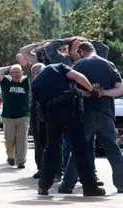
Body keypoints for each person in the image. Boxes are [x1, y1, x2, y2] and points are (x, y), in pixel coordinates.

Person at [31, 63, 105, 196]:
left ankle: (43, 186)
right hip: (69, 110)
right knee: (80, 149)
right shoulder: (57, 67)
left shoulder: (35, 82)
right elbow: (76, 76)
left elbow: (37, 107)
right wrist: (92, 90)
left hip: (51, 115)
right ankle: (90, 188)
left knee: (51, 149)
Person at [59, 42, 123, 194]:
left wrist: (88, 92)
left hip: (85, 114)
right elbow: (120, 88)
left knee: (78, 151)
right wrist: (103, 93)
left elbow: (69, 88)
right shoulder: (109, 64)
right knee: (113, 150)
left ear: (81, 51)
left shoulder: (78, 65)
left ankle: (68, 185)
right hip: (105, 113)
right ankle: (121, 185)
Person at [0, 64, 30, 169]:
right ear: (10, 74)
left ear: (22, 73)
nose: (16, 74)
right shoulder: (6, 82)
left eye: (18, 72)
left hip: (23, 116)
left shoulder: (25, 82)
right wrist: (10, 67)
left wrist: (21, 64)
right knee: (9, 140)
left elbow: (32, 70)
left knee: (22, 140)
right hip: (9, 116)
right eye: (13, 72)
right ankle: (11, 156)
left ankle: (21, 161)